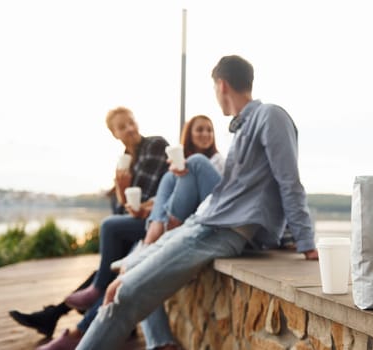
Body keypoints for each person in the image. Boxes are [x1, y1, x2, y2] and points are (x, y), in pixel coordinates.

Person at [75, 54, 318, 350]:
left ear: (221, 85)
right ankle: (141, 252)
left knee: (121, 296)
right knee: (121, 279)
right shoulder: (243, 128)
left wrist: (306, 242)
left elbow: (289, 181)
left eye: (215, 88)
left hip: (216, 232)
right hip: (201, 224)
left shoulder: (269, 115)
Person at [32, 115, 226, 350]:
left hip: (180, 224)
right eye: (200, 130)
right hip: (160, 222)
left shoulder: (186, 157)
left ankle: (81, 324)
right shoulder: (138, 163)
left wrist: (156, 215)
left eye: (209, 130)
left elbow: (204, 200)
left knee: (129, 256)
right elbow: (126, 208)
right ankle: (80, 318)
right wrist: (126, 194)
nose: (205, 134)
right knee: (132, 263)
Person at [8, 106, 169, 338]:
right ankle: (55, 314)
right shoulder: (124, 163)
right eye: (123, 127)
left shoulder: (154, 145)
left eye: (131, 122)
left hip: (153, 223)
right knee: (110, 269)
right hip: (134, 227)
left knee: (110, 262)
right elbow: (122, 208)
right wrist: (121, 191)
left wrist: (125, 191)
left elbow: (141, 204)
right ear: (115, 134)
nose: (130, 129)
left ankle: (71, 326)